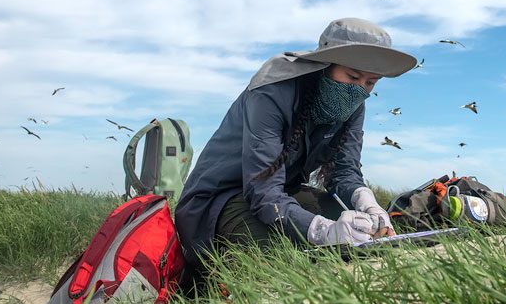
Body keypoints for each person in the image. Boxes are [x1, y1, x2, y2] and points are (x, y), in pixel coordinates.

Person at [174, 17, 417, 277]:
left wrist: (365, 201)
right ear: (325, 65)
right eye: (352, 76)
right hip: (222, 198)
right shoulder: (272, 89)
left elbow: (344, 169)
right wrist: (322, 231)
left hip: (284, 192)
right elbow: (263, 189)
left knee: (364, 235)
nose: (359, 90)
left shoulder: (354, 103)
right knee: (283, 259)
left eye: (370, 82)